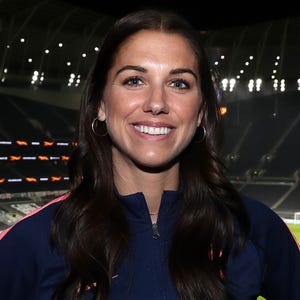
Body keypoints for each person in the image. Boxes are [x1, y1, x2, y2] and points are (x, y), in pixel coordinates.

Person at [0, 8, 299, 300]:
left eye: (179, 83)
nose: (157, 103)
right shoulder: (29, 244)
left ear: (200, 113)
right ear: (101, 104)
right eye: (134, 80)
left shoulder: (256, 229)